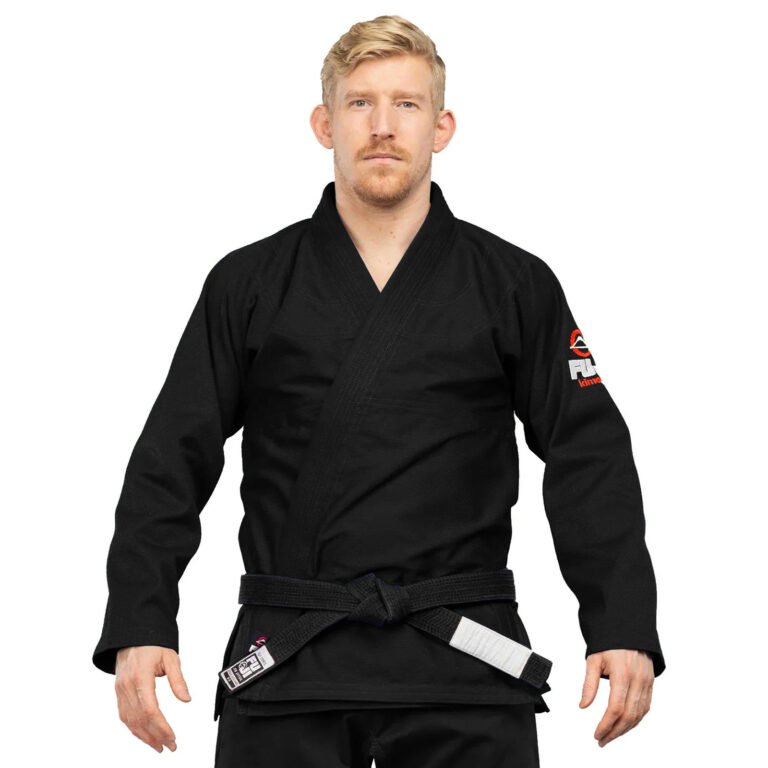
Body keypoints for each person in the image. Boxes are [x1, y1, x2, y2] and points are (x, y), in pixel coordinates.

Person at [93, 14, 665, 766]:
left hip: (466, 666)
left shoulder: (514, 284)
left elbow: (589, 452)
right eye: (360, 103)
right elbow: (172, 455)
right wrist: (140, 619)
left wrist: (621, 622)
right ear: (324, 124)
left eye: (407, 104)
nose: (383, 126)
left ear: (442, 127)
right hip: (289, 664)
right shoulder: (249, 283)